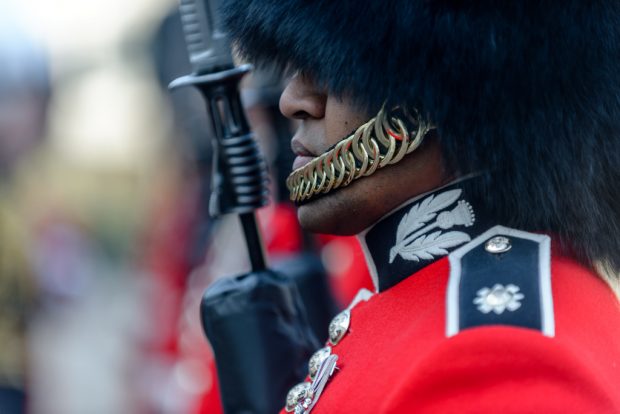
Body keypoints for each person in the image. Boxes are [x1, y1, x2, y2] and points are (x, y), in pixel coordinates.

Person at [218, 1, 620, 413]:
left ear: (438, 88)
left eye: (331, 62)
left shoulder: (496, 352)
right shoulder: (410, 299)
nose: (293, 100)